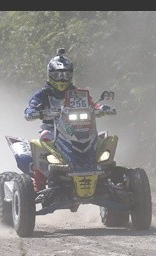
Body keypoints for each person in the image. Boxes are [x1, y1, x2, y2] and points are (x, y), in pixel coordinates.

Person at [22, 48, 110, 192]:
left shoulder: (78, 93)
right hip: (52, 130)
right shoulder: (43, 94)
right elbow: (31, 107)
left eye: (66, 75)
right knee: (42, 141)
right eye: (58, 75)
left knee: (102, 140)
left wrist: (101, 107)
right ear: (51, 75)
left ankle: (105, 178)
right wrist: (33, 112)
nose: (62, 78)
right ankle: (39, 184)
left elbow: (92, 104)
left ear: (71, 75)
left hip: (78, 128)